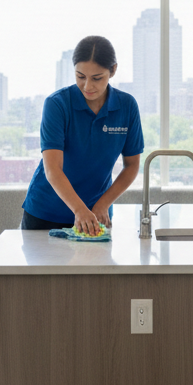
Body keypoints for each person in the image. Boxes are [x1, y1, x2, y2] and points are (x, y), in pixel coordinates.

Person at [22, 35, 143, 235]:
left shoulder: (127, 106)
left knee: (95, 266)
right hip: (46, 213)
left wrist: (103, 204)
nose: (88, 86)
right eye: (80, 76)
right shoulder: (57, 104)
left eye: (97, 78)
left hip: (96, 215)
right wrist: (79, 210)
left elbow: (132, 165)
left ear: (113, 70)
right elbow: (52, 169)